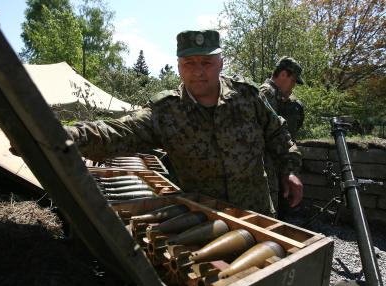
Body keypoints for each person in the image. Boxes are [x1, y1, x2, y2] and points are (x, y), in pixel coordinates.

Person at [64, 30, 302, 216]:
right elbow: (118, 132)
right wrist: (64, 135)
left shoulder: (248, 96)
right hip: (202, 221)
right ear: (179, 67)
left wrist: (289, 170)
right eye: (189, 63)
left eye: (207, 62)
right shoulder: (167, 111)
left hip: (257, 215)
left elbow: (277, 131)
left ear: (221, 63)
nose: (198, 71)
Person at [259, 56, 305, 217]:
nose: (293, 87)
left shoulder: (278, 96)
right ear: (283, 74)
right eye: (293, 81)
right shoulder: (267, 93)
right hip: (268, 167)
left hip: (277, 166)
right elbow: (273, 133)